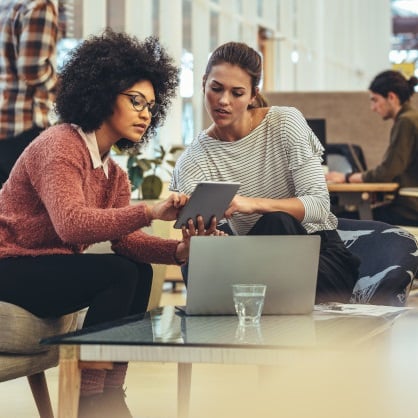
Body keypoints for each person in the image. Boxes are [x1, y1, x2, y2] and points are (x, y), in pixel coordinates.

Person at [0, 29, 223, 418]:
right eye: (135, 100)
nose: (145, 113)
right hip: (9, 265)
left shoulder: (114, 174)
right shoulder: (60, 144)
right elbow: (71, 225)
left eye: (151, 106)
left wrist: (179, 251)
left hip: (44, 268)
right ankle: (92, 401)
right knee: (118, 272)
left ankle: (107, 392)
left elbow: (127, 241)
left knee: (136, 269)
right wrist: (151, 210)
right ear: (102, 94)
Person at [170, 41, 361, 305]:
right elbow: (220, 247)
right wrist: (201, 237)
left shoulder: (285, 123)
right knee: (198, 261)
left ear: (252, 94)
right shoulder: (192, 161)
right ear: (203, 82)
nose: (223, 101)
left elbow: (319, 204)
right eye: (216, 89)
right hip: (252, 265)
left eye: (237, 93)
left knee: (277, 222)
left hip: (319, 260)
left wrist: (252, 205)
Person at [326, 70, 418, 226]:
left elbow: (387, 172)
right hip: (409, 202)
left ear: (391, 97)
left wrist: (347, 177)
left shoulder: (406, 122)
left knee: (341, 218)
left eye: (375, 100)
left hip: (409, 206)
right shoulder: (410, 118)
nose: (373, 107)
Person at [0, 0, 59, 187]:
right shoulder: (40, 5)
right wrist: (63, 86)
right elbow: (32, 69)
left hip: (5, 121)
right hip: (24, 124)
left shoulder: (7, 5)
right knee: (28, 210)